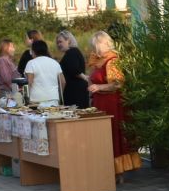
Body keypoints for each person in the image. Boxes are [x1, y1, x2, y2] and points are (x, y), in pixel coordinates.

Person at [86, 31, 136, 174]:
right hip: (100, 101)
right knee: (102, 133)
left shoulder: (112, 60)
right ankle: (105, 168)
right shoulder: (97, 60)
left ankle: (118, 170)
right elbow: (93, 78)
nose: (95, 49)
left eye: (97, 45)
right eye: (93, 46)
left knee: (113, 133)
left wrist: (99, 87)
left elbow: (117, 84)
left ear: (105, 43)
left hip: (112, 102)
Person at [57, 30, 91, 108]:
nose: (58, 44)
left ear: (68, 40)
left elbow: (74, 69)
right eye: (57, 43)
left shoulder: (71, 53)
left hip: (75, 91)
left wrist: (85, 78)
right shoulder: (73, 52)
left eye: (60, 42)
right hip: (76, 89)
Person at [24, 39, 62, 107]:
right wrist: (57, 94)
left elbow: (29, 82)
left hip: (36, 100)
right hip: (53, 99)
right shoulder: (55, 63)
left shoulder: (31, 63)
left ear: (33, 51)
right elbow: (63, 82)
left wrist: (26, 100)